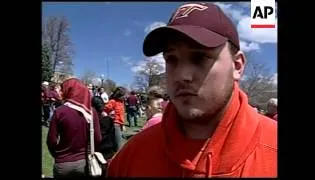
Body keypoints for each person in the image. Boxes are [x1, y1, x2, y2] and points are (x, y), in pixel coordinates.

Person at [107, 2, 277, 178]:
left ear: (237, 66)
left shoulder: (272, 148)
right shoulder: (131, 156)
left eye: (200, 57)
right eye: (172, 59)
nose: (182, 75)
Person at [47, 78, 101, 179]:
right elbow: (97, 139)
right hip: (84, 162)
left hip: (63, 163)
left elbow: (51, 140)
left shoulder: (60, 111)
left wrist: (58, 155)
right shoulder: (92, 112)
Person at [104, 87, 127, 151]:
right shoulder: (112, 101)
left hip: (121, 124)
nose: (125, 97)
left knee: (121, 140)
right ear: (119, 95)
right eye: (124, 95)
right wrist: (110, 114)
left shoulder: (121, 102)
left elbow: (122, 113)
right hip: (115, 124)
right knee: (119, 144)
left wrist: (123, 124)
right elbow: (105, 110)